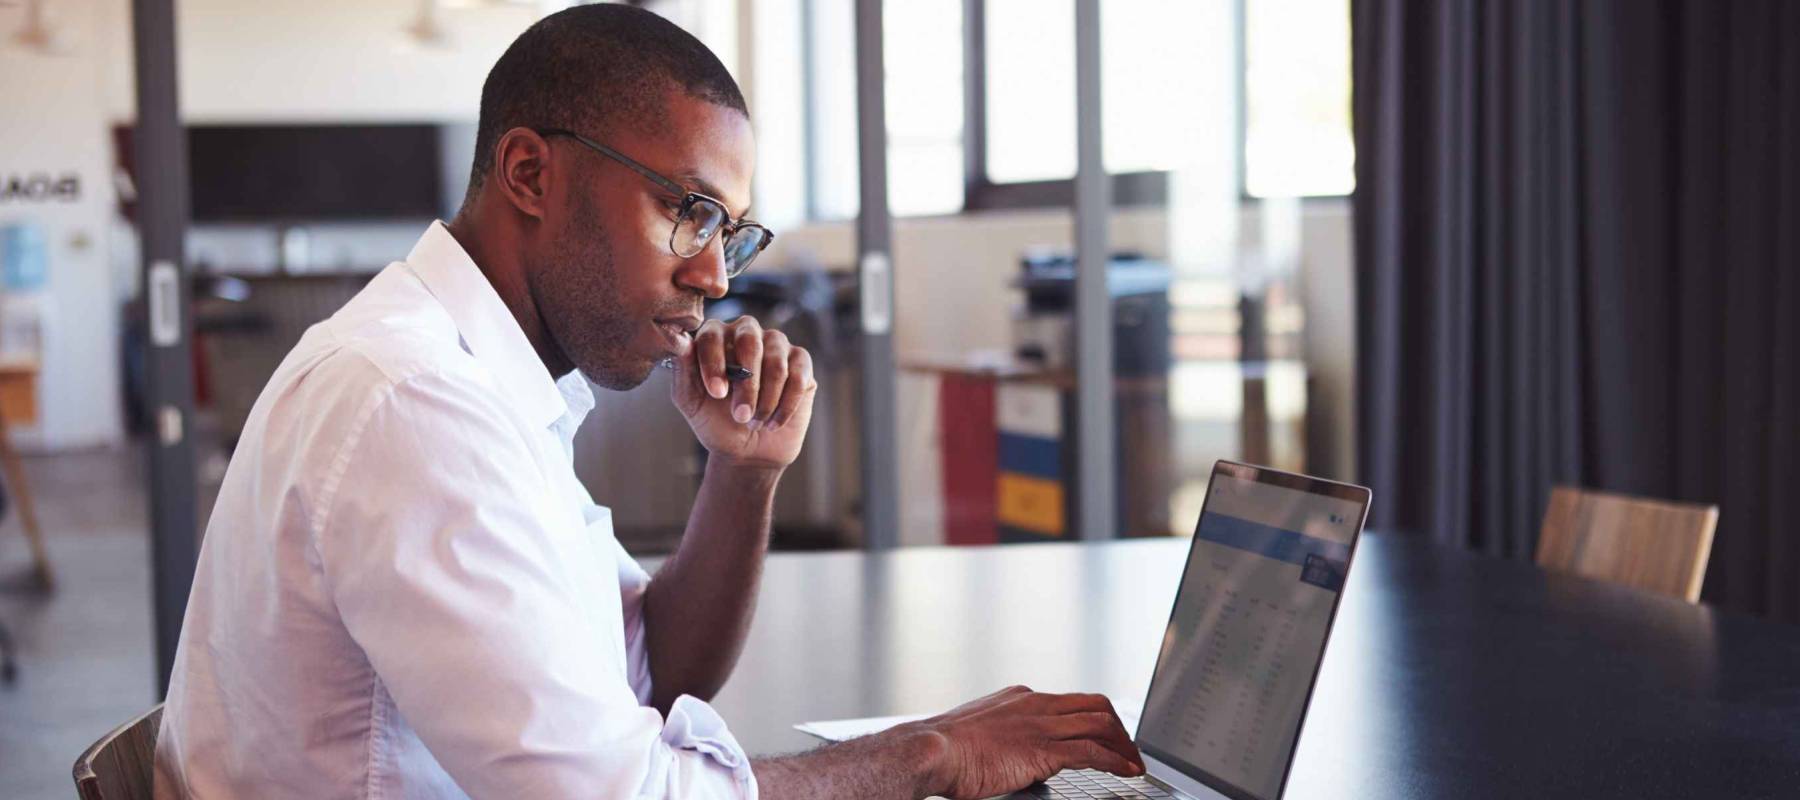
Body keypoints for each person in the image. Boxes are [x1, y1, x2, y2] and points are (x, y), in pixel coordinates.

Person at [153, 5, 1142, 799]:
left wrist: (744, 470)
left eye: (732, 231)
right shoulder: (416, 403)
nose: (715, 274)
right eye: (687, 209)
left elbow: (654, 669)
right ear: (531, 173)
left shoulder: (486, 384)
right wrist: (936, 755)